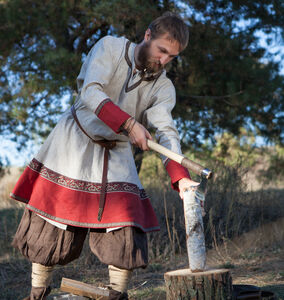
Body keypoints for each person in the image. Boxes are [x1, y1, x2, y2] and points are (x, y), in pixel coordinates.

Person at [11, 12, 199, 300]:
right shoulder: (109, 47)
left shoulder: (162, 87)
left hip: (117, 151)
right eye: (162, 50)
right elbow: (91, 92)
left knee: (124, 224)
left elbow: (166, 132)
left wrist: (181, 179)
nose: (164, 61)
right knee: (52, 222)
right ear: (147, 36)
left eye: (172, 56)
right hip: (75, 141)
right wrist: (129, 124)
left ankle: (116, 296)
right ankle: (37, 293)